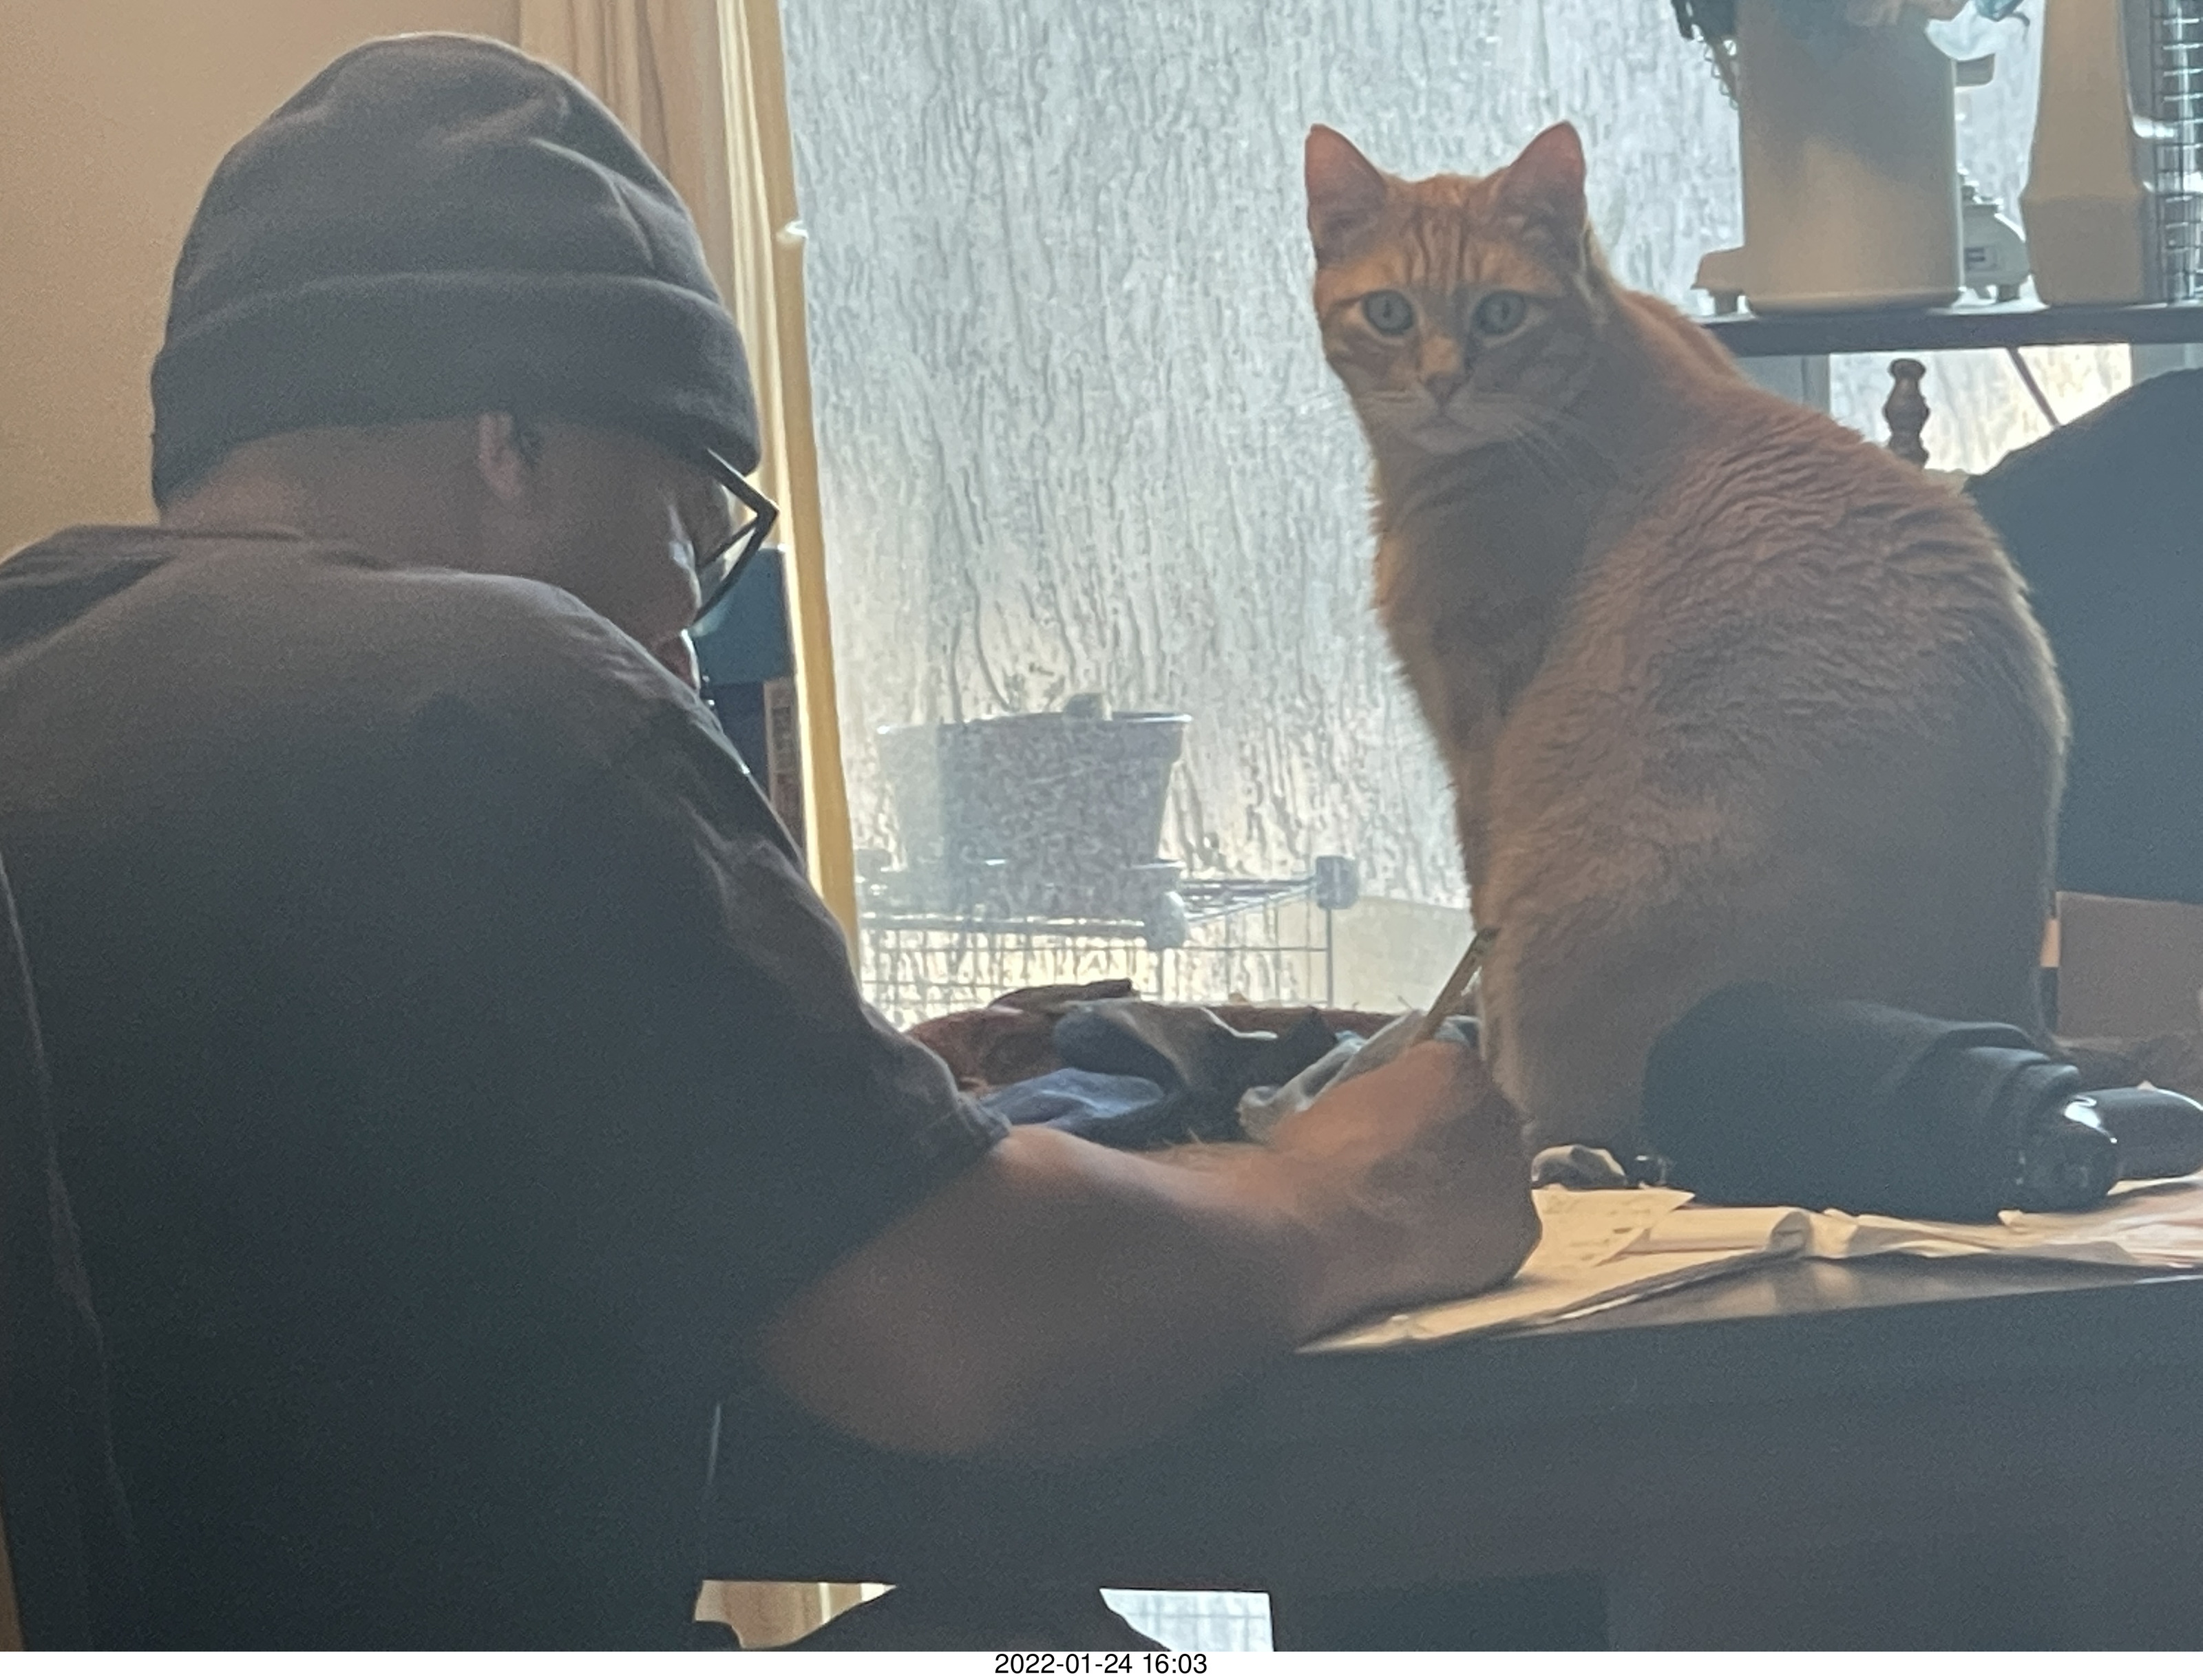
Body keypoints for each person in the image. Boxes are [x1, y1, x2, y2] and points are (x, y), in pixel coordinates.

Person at [0, 34, 1537, 1650]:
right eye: (692, 534)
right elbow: (960, 1337)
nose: (681, 637)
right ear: (514, 440)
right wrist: (1345, 1197)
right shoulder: (504, 695)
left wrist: (835, 1123)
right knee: (1084, 1651)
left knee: (1012, 1625)